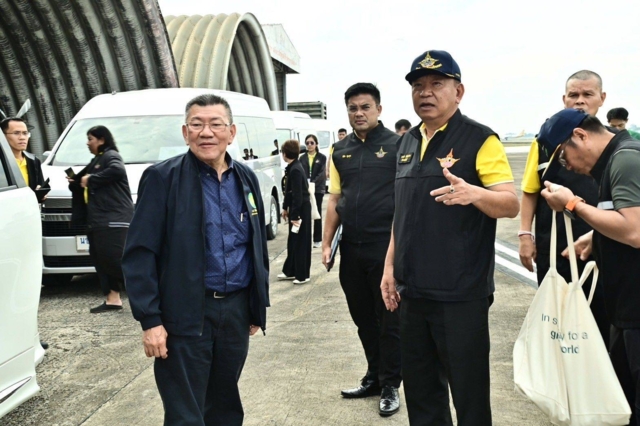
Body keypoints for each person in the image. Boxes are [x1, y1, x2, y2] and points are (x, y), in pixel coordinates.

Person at [381, 50, 519, 425]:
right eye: (418, 85)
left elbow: (510, 204)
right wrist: (389, 268)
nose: (425, 92)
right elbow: (401, 214)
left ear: (458, 92)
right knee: (422, 397)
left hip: (460, 294)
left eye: (436, 84)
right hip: (412, 293)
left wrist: (475, 194)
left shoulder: (480, 139)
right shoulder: (406, 142)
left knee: (469, 397)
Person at [122, 94, 269, 425]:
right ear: (185, 132)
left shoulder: (246, 178)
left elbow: (255, 245)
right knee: (185, 413)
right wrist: (150, 320)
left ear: (231, 132)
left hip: (235, 312)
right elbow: (140, 254)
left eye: (216, 124)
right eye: (197, 124)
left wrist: (256, 305)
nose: (207, 132)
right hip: (186, 313)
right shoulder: (163, 178)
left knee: (226, 406)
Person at [539, 108, 640, 425]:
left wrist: (573, 204)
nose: (565, 166)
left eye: (562, 155)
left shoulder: (625, 159)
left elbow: (635, 230)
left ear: (580, 136)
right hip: (626, 309)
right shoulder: (613, 161)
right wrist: (597, 237)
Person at [322, 83, 402, 417]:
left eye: (365, 107)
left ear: (379, 109)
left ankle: (391, 384)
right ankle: (374, 376)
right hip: (352, 249)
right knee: (363, 318)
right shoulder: (339, 150)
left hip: (385, 247)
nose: (359, 113)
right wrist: (327, 243)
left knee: (389, 319)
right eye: (353, 108)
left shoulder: (398, 146)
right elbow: (335, 199)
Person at [519, 70, 610, 346]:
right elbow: (530, 190)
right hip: (555, 247)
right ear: (564, 99)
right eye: (574, 95)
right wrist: (525, 235)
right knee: (558, 324)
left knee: (601, 321)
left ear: (602, 98)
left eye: (587, 94)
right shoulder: (544, 143)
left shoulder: (612, 144)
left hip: (603, 244)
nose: (580, 101)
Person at [67, 125, 133, 313]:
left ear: (102, 140)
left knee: (115, 260)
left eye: (90, 139)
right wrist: (76, 182)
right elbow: (83, 181)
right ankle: (113, 299)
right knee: (101, 260)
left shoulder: (111, 156)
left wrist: (91, 179)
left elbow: (117, 171)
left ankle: (151, 294)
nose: (87, 143)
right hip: (97, 220)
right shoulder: (96, 160)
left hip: (113, 219)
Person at [2, 116, 49, 349]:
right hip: (6, 225)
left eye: (25, 133)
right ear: (4, 137)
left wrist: (41, 193)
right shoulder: (3, 164)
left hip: (27, 224)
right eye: (16, 133)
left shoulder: (33, 160)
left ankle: (31, 337)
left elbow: (36, 188)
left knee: (29, 283)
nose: (23, 138)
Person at [278, 139, 312, 284]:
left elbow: (298, 195)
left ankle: (302, 275)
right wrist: (285, 207)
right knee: (293, 241)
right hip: (296, 208)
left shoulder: (296, 169)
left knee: (301, 242)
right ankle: (290, 270)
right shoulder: (292, 167)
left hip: (301, 210)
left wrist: (295, 215)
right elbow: (289, 192)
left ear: (285, 154)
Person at [299, 134, 327, 248]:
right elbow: (300, 172)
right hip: (306, 189)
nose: (309, 145)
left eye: (312, 143)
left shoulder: (322, 157)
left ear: (316, 144)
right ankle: (306, 238)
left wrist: (313, 183)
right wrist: (305, 185)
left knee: (317, 212)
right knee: (305, 213)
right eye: (307, 143)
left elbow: (322, 173)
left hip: (317, 188)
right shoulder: (302, 158)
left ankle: (317, 239)